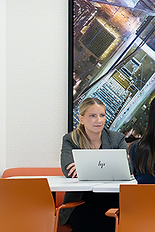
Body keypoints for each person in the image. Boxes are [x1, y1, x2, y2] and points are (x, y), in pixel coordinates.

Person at [60, 97, 127, 232]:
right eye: (92, 116)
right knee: (85, 220)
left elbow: (127, 168)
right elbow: (69, 170)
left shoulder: (116, 138)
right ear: (81, 118)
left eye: (102, 115)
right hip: (81, 201)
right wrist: (110, 167)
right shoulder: (70, 139)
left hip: (113, 200)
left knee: (113, 220)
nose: (99, 120)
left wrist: (84, 168)